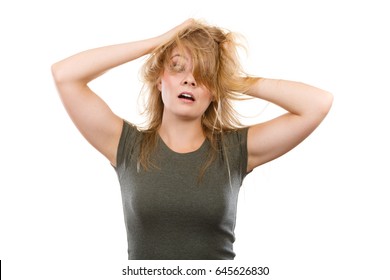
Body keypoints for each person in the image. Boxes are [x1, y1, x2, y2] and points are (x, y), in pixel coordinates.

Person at [51, 19, 333, 260]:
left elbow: (317, 104)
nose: (190, 80)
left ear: (214, 91)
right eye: (177, 66)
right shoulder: (126, 146)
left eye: (203, 74)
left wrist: (231, 79)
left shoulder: (233, 150)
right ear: (159, 79)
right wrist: (158, 42)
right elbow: (65, 75)